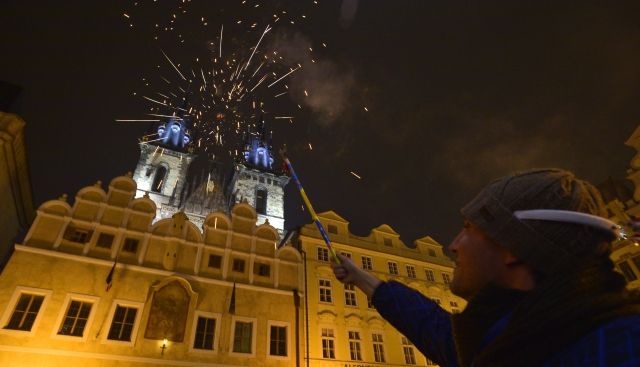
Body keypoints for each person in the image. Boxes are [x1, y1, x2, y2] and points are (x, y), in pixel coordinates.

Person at [332, 169, 640, 367]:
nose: (453, 244)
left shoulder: (617, 347)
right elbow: (433, 327)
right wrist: (362, 277)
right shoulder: (515, 336)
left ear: (513, 248)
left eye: (469, 228)